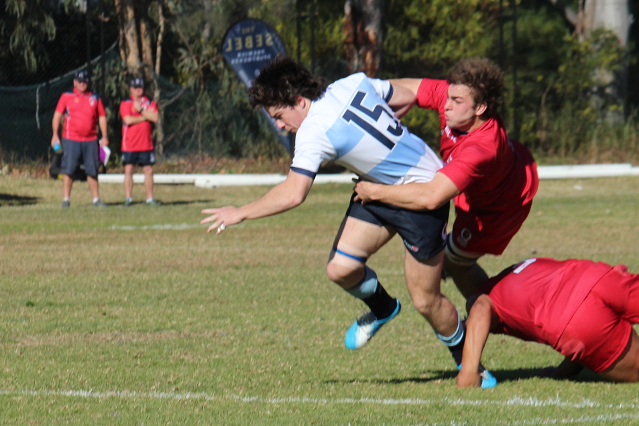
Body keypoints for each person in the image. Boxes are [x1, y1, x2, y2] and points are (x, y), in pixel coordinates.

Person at [200, 57, 495, 386]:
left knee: (426, 300)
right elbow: (404, 95)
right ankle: (383, 308)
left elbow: (294, 193)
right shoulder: (351, 82)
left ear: (299, 101)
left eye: (279, 117)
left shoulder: (313, 131)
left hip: (422, 195)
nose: (280, 126)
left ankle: (469, 363)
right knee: (341, 268)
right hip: (375, 191)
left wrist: (239, 211)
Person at [353, 58, 539, 299]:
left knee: (455, 263)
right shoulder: (455, 97)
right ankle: (485, 314)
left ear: (480, 108)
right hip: (481, 188)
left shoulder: (481, 149)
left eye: (456, 101)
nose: (446, 105)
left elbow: (432, 196)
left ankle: (494, 315)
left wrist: (373, 192)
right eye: (448, 97)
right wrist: (358, 92)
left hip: (500, 208)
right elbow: (406, 87)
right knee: (447, 260)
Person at [457, 257, 639, 388]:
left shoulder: (481, 299)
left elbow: (480, 308)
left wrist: (469, 370)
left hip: (570, 316)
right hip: (596, 277)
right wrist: (562, 372)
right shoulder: (519, 268)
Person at [51, 69, 109, 208]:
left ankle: (96, 199)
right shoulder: (67, 96)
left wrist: (105, 136)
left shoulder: (95, 97)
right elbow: (57, 116)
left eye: (85, 81)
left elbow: (102, 117)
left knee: (92, 170)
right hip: (71, 139)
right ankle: (66, 199)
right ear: (75, 82)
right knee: (69, 169)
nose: (83, 84)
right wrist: (55, 135)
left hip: (91, 139)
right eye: (80, 81)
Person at [119, 77, 160, 206]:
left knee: (148, 170)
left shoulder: (150, 101)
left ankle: (149, 198)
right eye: (135, 88)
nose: (138, 90)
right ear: (131, 89)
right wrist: (145, 117)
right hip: (130, 143)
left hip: (146, 143)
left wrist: (141, 110)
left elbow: (155, 117)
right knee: (129, 169)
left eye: (140, 88)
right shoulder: (126, 102)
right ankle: (128, 198)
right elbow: (128, 120)